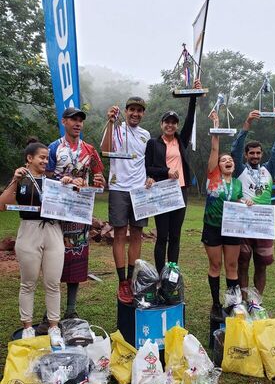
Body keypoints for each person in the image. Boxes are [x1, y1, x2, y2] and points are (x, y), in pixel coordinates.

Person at [0, 139, 65, 346]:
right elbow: (3, 205)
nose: (46, 161)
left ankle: (54, 326)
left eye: (47, 158)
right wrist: (14, 180)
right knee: (28, 283)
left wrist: (72, 185)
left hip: (53, 230)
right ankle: (27, 327)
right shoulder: (21, 179)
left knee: (53, 283)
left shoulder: (53, 181)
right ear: (29, 158)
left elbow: (71, 202)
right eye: (42, 157)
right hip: (29, 231)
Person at [45, 107, 105, 320]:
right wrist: (62, 181)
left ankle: (71, 310)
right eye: (73, 119)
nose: (78, 123)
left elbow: (100, 180)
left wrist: (96, 183)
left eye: (80, 120)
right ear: (64, 122)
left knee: (76, 259)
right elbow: (46, 179)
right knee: (53, 259)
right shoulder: (53, 148)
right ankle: (49, 313)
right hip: (57, 212)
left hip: (79, 213)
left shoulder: (90, 150)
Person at [145, 79, 201, 274]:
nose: (170, 125)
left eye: (173, 122)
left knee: (175, 236)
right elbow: (149, 167)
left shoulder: (181, 140)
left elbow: (190, 119)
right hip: (162, 192)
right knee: (162, 236)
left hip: (180, 191)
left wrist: (194, 95)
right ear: (161, 124)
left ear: (176, 126)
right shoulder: (153, 143)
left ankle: (172, 274)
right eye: (167, 122)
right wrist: (165, 172)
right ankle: (160, 274)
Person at [202, 112, 252, 320]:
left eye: (230, 159)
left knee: (232, 266)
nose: (227, 161)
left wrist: (246, 202)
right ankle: (215, 305)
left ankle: (231, 305)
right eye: (223, 160)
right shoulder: (212, 176)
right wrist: (216, 125)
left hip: (232, 228)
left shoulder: (239, 184)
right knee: (215, 266)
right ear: (218, 166)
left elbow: (238, 202)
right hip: (213, 226)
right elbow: (215, 148)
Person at [101, 97, 152, 304]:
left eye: (139, 111)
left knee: (137, 235)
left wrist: (151, 177)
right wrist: (111, 122)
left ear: (143, 114)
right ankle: (122, 281)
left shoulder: (145, 135)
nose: (135, 114)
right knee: (120, 234)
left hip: (140, 191)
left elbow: (148, 161)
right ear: (126, 110)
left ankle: (132, 279)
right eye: (132, 109)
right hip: (119, 188)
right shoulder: (115, 127)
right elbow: (104, 150)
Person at [231, 108, 275, 294]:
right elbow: (235, 149)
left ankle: (257, 302)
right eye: (251, 153)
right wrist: (247, 123)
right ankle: (245, 301)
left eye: (258, 153)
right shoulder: (239, 170)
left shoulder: (269, 170)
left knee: (261, 265)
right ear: (246, 155)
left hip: (263, 226)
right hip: (243, 224)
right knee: (243, 263)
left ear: (261, 155)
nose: (254, 156)